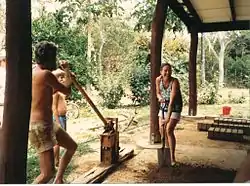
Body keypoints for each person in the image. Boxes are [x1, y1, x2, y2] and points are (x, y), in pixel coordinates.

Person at [29, 41, 77, 184]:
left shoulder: (35, 72)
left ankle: (59, 180)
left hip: (47, 123)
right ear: (49, 58)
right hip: (40, 127)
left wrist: (65, 74)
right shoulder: (45, 75)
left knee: (72, 146)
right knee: (47, 173)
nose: (55, 60)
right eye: (54, 57)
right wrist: (67, 71)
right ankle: (55, 178)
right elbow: (67, 90)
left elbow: (48, 91)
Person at [155, 63, 183, 166]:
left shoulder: (174, 82)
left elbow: (172, 102)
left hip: (175, 106)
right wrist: (159, 98)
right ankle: (166, 153)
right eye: (165, 70)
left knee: (169, 129)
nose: (168, 72)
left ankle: (172, 158)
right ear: (161, 72)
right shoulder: (158, 80)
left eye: (169, 70)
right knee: (162, 130)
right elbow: (158, 92)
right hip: (164, 105)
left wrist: (167, 118)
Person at [52, 68, 69, 167]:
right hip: (59, 118)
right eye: (60, 78)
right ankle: (55, 161)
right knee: (58, 141)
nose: (62, 79)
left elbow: (67, 83)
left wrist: (66, 71)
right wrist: (57, 121)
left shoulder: (61, 91)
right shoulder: (55, 93)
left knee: (60, 140)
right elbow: (54, 107)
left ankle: (56, 161)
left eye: (63, 77)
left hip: (63, 117)